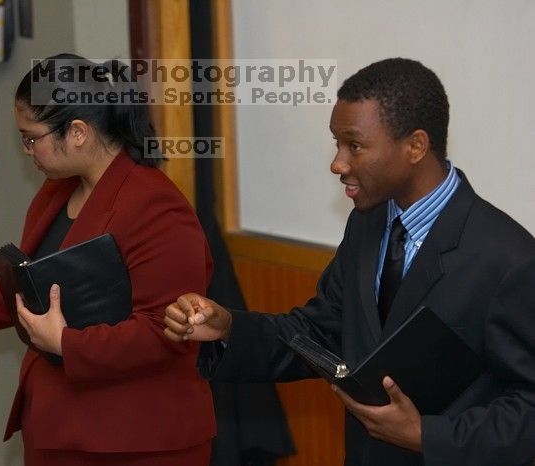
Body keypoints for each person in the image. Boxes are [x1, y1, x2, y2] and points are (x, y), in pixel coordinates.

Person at [163, 58, 535, 466]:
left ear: (415, 146)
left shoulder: (509, 259)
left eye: (354, 146)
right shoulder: (368, 223)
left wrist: (427, 436)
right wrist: (229, 328)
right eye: (336, 144)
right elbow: (321, 332)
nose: (337, 163)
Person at [0, 53, 216, 466]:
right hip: (59, 422)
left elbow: (166, 331)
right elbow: (27, 292)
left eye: (32, 138)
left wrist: (66, 343)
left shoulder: (156, 207)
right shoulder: (56, 192)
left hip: (136, 438)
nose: (26, 150)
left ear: (78, 132)